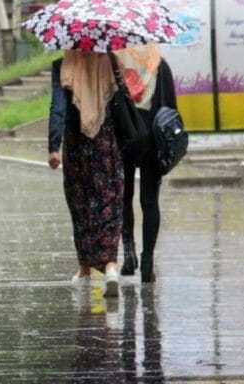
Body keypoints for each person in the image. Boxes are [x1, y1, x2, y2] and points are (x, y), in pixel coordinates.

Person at [47, 51, 124, 297]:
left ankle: (85, 269)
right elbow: (121, 101)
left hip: (75, 142)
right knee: (108, 201)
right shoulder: (110, 61)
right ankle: (111, 266)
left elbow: (57, 107)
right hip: (106, 141)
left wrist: (53, 146)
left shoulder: (62, 65)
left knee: (80, 204)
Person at [114, 45, 177, 283]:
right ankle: (148, 259)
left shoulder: (117, 64)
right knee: (150, 201)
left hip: (124, 137)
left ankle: (129, 255)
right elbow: (171, 108)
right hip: (152, 140)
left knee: (124, 198)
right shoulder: (160, 64)